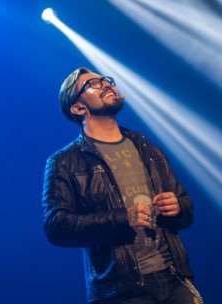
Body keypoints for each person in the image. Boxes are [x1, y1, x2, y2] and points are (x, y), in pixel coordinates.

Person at [42, 67, 202, 304]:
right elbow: (56, 227)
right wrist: (122, 218)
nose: (106, 84)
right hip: (121, 292)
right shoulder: (64, 162)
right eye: (93, 84)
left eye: (106, 80)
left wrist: (178, 207)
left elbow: (186, 207)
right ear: (77, 108)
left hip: (173, 279)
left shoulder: (146, 147)